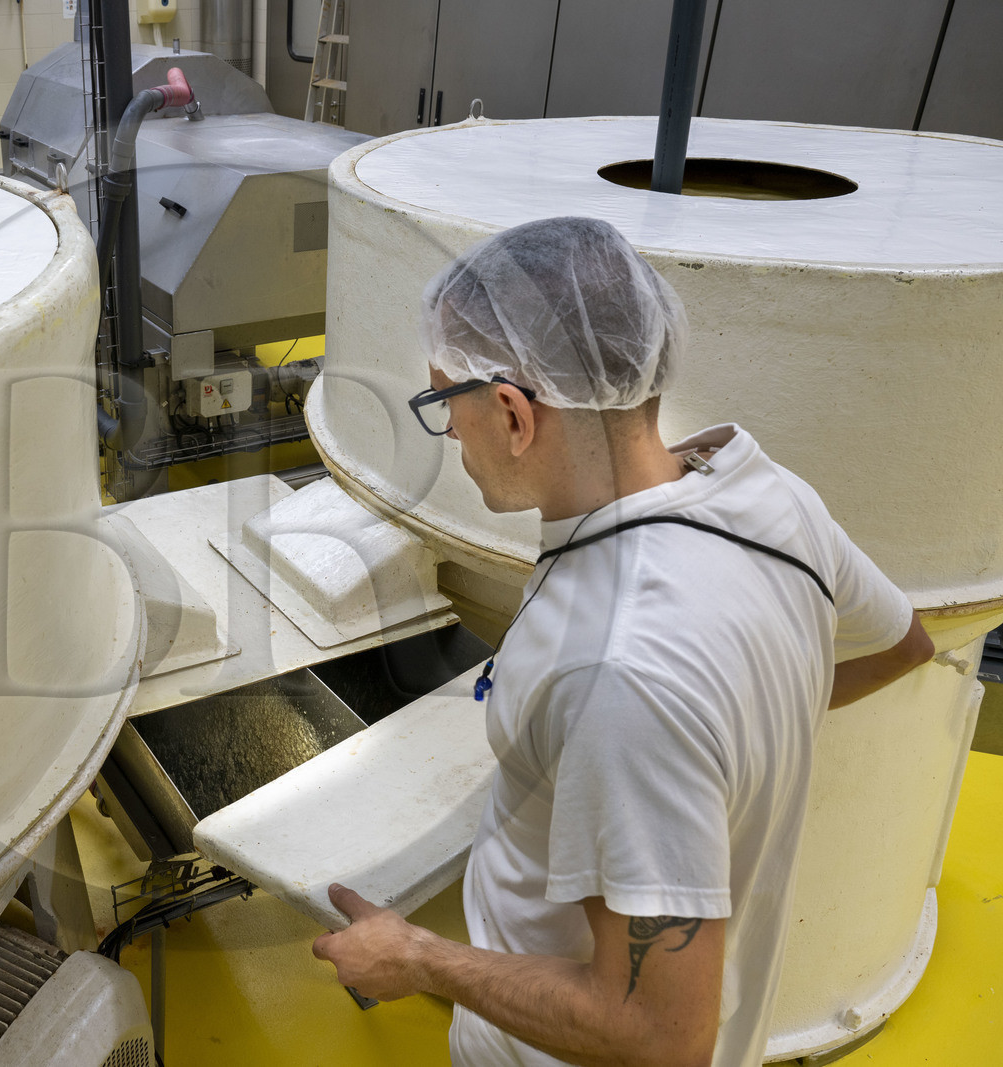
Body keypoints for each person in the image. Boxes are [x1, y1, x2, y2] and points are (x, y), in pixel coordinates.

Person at [310, 217, 933, 1067]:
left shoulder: (617, 674)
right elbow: (905, 644)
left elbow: (658, 1036)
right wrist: (734, 730)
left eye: (442, 403)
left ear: (512, 413)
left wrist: (414, 956)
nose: (449, 434)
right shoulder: (771, 499)